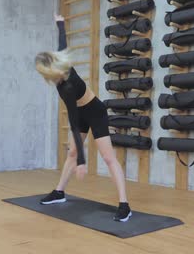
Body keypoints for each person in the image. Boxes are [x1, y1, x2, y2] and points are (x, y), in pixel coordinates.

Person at [34, 13, 131, 222]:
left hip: (95, 111)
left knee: (108, 157)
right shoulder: (61, 72)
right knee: (72, 152)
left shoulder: (67, 86)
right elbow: (63, 40)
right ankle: (59, 192)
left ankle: (125, 204)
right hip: (80, 114)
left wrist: (82, 162)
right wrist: (60, 22)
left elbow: (73, 120)